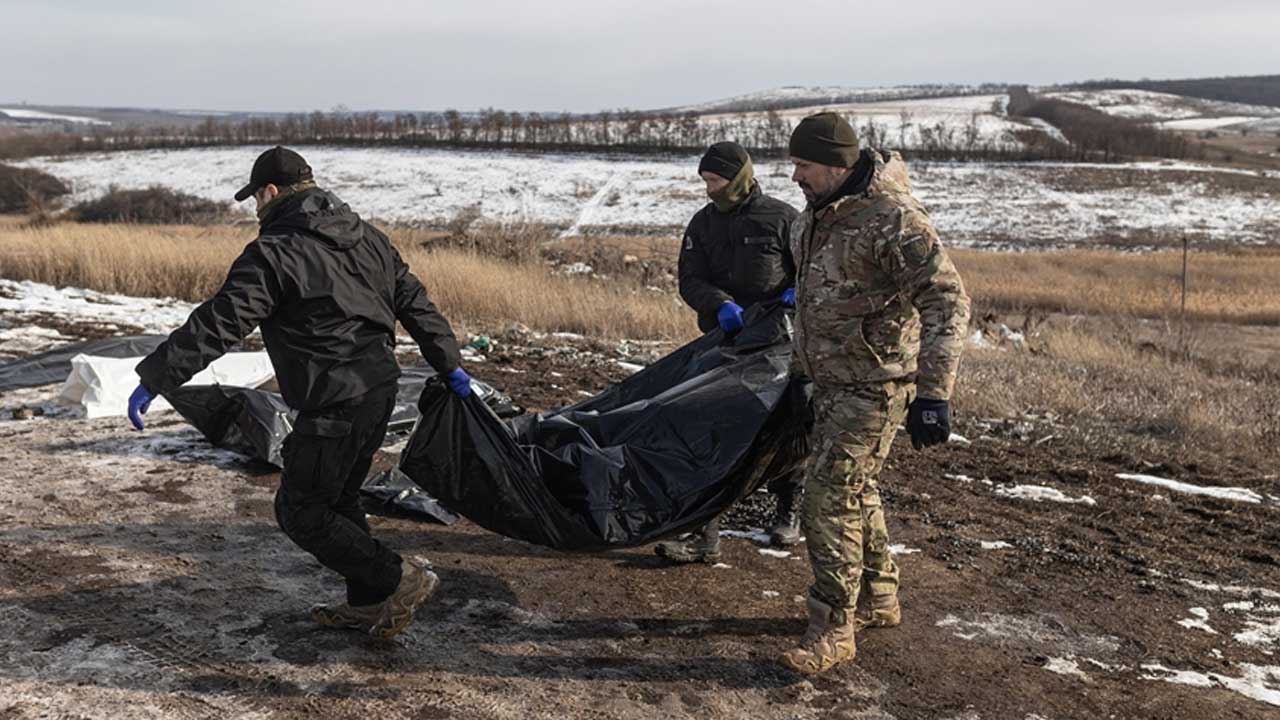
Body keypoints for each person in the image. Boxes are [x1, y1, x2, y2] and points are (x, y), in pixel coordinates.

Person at [126, 146, 472, 640]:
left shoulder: (274, 251)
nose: (256, 209)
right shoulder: (368, 237)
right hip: (379, 389)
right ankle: (370, 604)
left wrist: (156, 377)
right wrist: (449, 363)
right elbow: (416, 304)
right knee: (338, 500)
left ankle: (397, 579)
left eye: (256, 199)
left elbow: (221, 322)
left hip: (334, 400)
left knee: (301, 511)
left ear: (270, 192)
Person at [779, 113, 971, 674]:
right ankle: (879, 596)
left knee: (827, 496)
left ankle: (832, 627)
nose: (795, 175)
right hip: (829, 383)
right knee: (855, 489)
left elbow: (947, 301)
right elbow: (813, 302)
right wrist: (799, 374)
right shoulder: (814, 217)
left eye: (804, 164)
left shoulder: (894, 220)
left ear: (837, 165)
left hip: (876, 385)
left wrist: (934, 394)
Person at [658, 141, 803, 562]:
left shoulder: (783, 219)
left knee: (785, 427)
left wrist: (798, 291)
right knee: (711, 431)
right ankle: (703, 533)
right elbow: (690, 279)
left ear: (739, 178)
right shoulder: (702, 224)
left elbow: (813, 268)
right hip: (725, 343)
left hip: (779, 344)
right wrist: (718, 303)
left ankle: (788, 511)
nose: (710, 189)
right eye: (705, 181)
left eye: (717, 180)